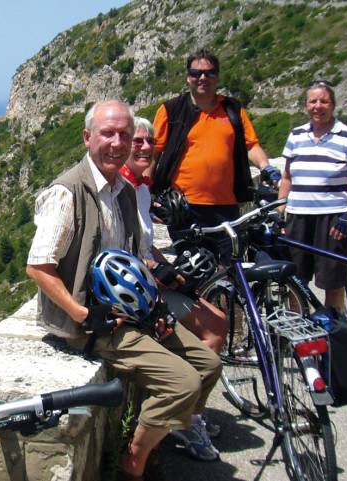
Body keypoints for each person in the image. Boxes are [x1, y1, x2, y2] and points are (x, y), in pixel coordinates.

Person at [26, 100, 223, 478]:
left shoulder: (125, 192)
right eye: (107, 133)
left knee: (209, 364)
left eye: (124, 135)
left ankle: (157, 432)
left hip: (131, 313)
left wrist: (157, 311)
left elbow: (133, 261)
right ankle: (133, 462)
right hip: (92, 324)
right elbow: (39, 267)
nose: (117, 143)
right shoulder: (67, 192)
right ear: (87, 138)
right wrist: (84, 314)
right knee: (182, 384)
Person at [150, 48, 279, 354]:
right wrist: (146, 193)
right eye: (196, 73)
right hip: (185, 209)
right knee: (192, 274)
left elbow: (252, 145)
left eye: (208, 73)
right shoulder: (171, 110)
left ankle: (229, 335)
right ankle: (202, 335)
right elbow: (153, 154)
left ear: (217, 77)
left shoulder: (233, 111)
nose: (202, 78)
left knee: (229, 272)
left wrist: (266, 166)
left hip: (227, 208)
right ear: (187, 77)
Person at [125, 117, 230, 443]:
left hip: (152, 284)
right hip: (140, 293)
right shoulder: (126, 189)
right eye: (136, 141)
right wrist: (160, 274)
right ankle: (186, 420)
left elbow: (144, 243)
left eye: (149, 141)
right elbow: (124, 251)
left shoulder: (141, 187)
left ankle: (187, 412)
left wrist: (170, 269)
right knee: (214, 326)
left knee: (219, 321)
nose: (144, 147)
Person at [278, 81, 347, 315]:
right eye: (313, 101)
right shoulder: (296, 136)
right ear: (306, 105)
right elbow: (287, 177)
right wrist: (281, 211)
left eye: (323, 101)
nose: (318, 106)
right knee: (295, 282)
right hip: (298, 217)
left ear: (333, 104)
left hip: (334, 220)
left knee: (333, 282)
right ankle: (297, 328)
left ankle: (335, 333)